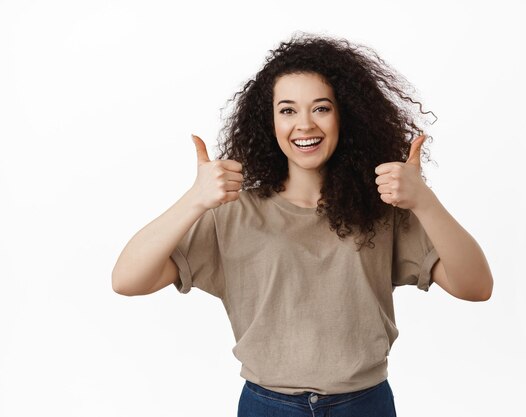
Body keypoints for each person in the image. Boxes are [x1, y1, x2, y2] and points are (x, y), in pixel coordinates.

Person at [112, 32, 493, 417]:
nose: (305, 125)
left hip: (363, 404)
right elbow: (127, 281)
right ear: (269, 121)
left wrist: (425, 202)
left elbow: (476, 287)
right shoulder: (233, 211)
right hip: (267, 404)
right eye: (288, 110)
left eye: (322, 108)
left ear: (346, 115)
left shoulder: (381, 209)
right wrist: (194, 199)